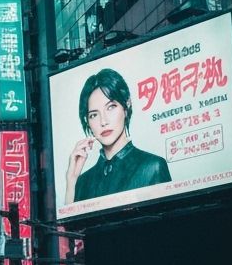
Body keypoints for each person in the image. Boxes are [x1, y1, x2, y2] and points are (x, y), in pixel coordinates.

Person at [65, 68, 172, 204]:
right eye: (94, 115)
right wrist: (71, 182)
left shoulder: (153, 167)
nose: (103, 121)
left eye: (111, 107)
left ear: (126, 106)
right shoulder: (82, 182)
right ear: (88, 121)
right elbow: (72, 226)